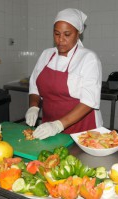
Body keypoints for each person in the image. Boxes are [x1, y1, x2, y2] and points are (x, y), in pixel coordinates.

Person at [25, 8, 103, 140]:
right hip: (48, 128)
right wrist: (33, 107)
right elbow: (34, 86)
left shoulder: (88, 58)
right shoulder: (46, 54)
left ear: (78, 34)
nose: (60, 40)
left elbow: (89, 102)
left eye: (67, 34)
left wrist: (57, 125)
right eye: (57, 34)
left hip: (82, 131)